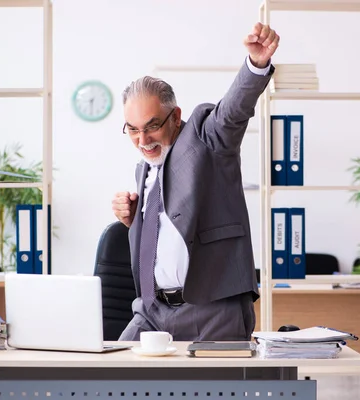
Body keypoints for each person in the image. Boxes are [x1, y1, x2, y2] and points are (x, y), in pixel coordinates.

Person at [111, 22, 279, 342]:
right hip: (152, 310)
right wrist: (134, 219)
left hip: (212, 309)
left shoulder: (206, 137)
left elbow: (232, 112)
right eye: (132, 129)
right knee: (109, 380)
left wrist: (255, 65)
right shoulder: (144, 170)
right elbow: (169, 223)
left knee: (215, 392)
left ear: (175, 117)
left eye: (152, 126)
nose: (142, 139)